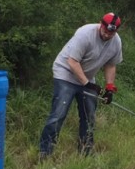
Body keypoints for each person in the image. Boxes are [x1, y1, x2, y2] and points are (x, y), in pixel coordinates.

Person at [38, 13, 123, 160]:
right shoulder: (85, 33)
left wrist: (109, 87)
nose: (107, 35)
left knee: (89, 115)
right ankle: (45, 152)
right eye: (105, 31)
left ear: (116, 31)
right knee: (59, 114)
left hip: (87, 76)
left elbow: (110, 64)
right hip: (65, 73)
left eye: (111, 33)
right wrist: (88, 84)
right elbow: (72, 62)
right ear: (100, 24)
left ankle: (86, 152)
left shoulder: (116, 42)